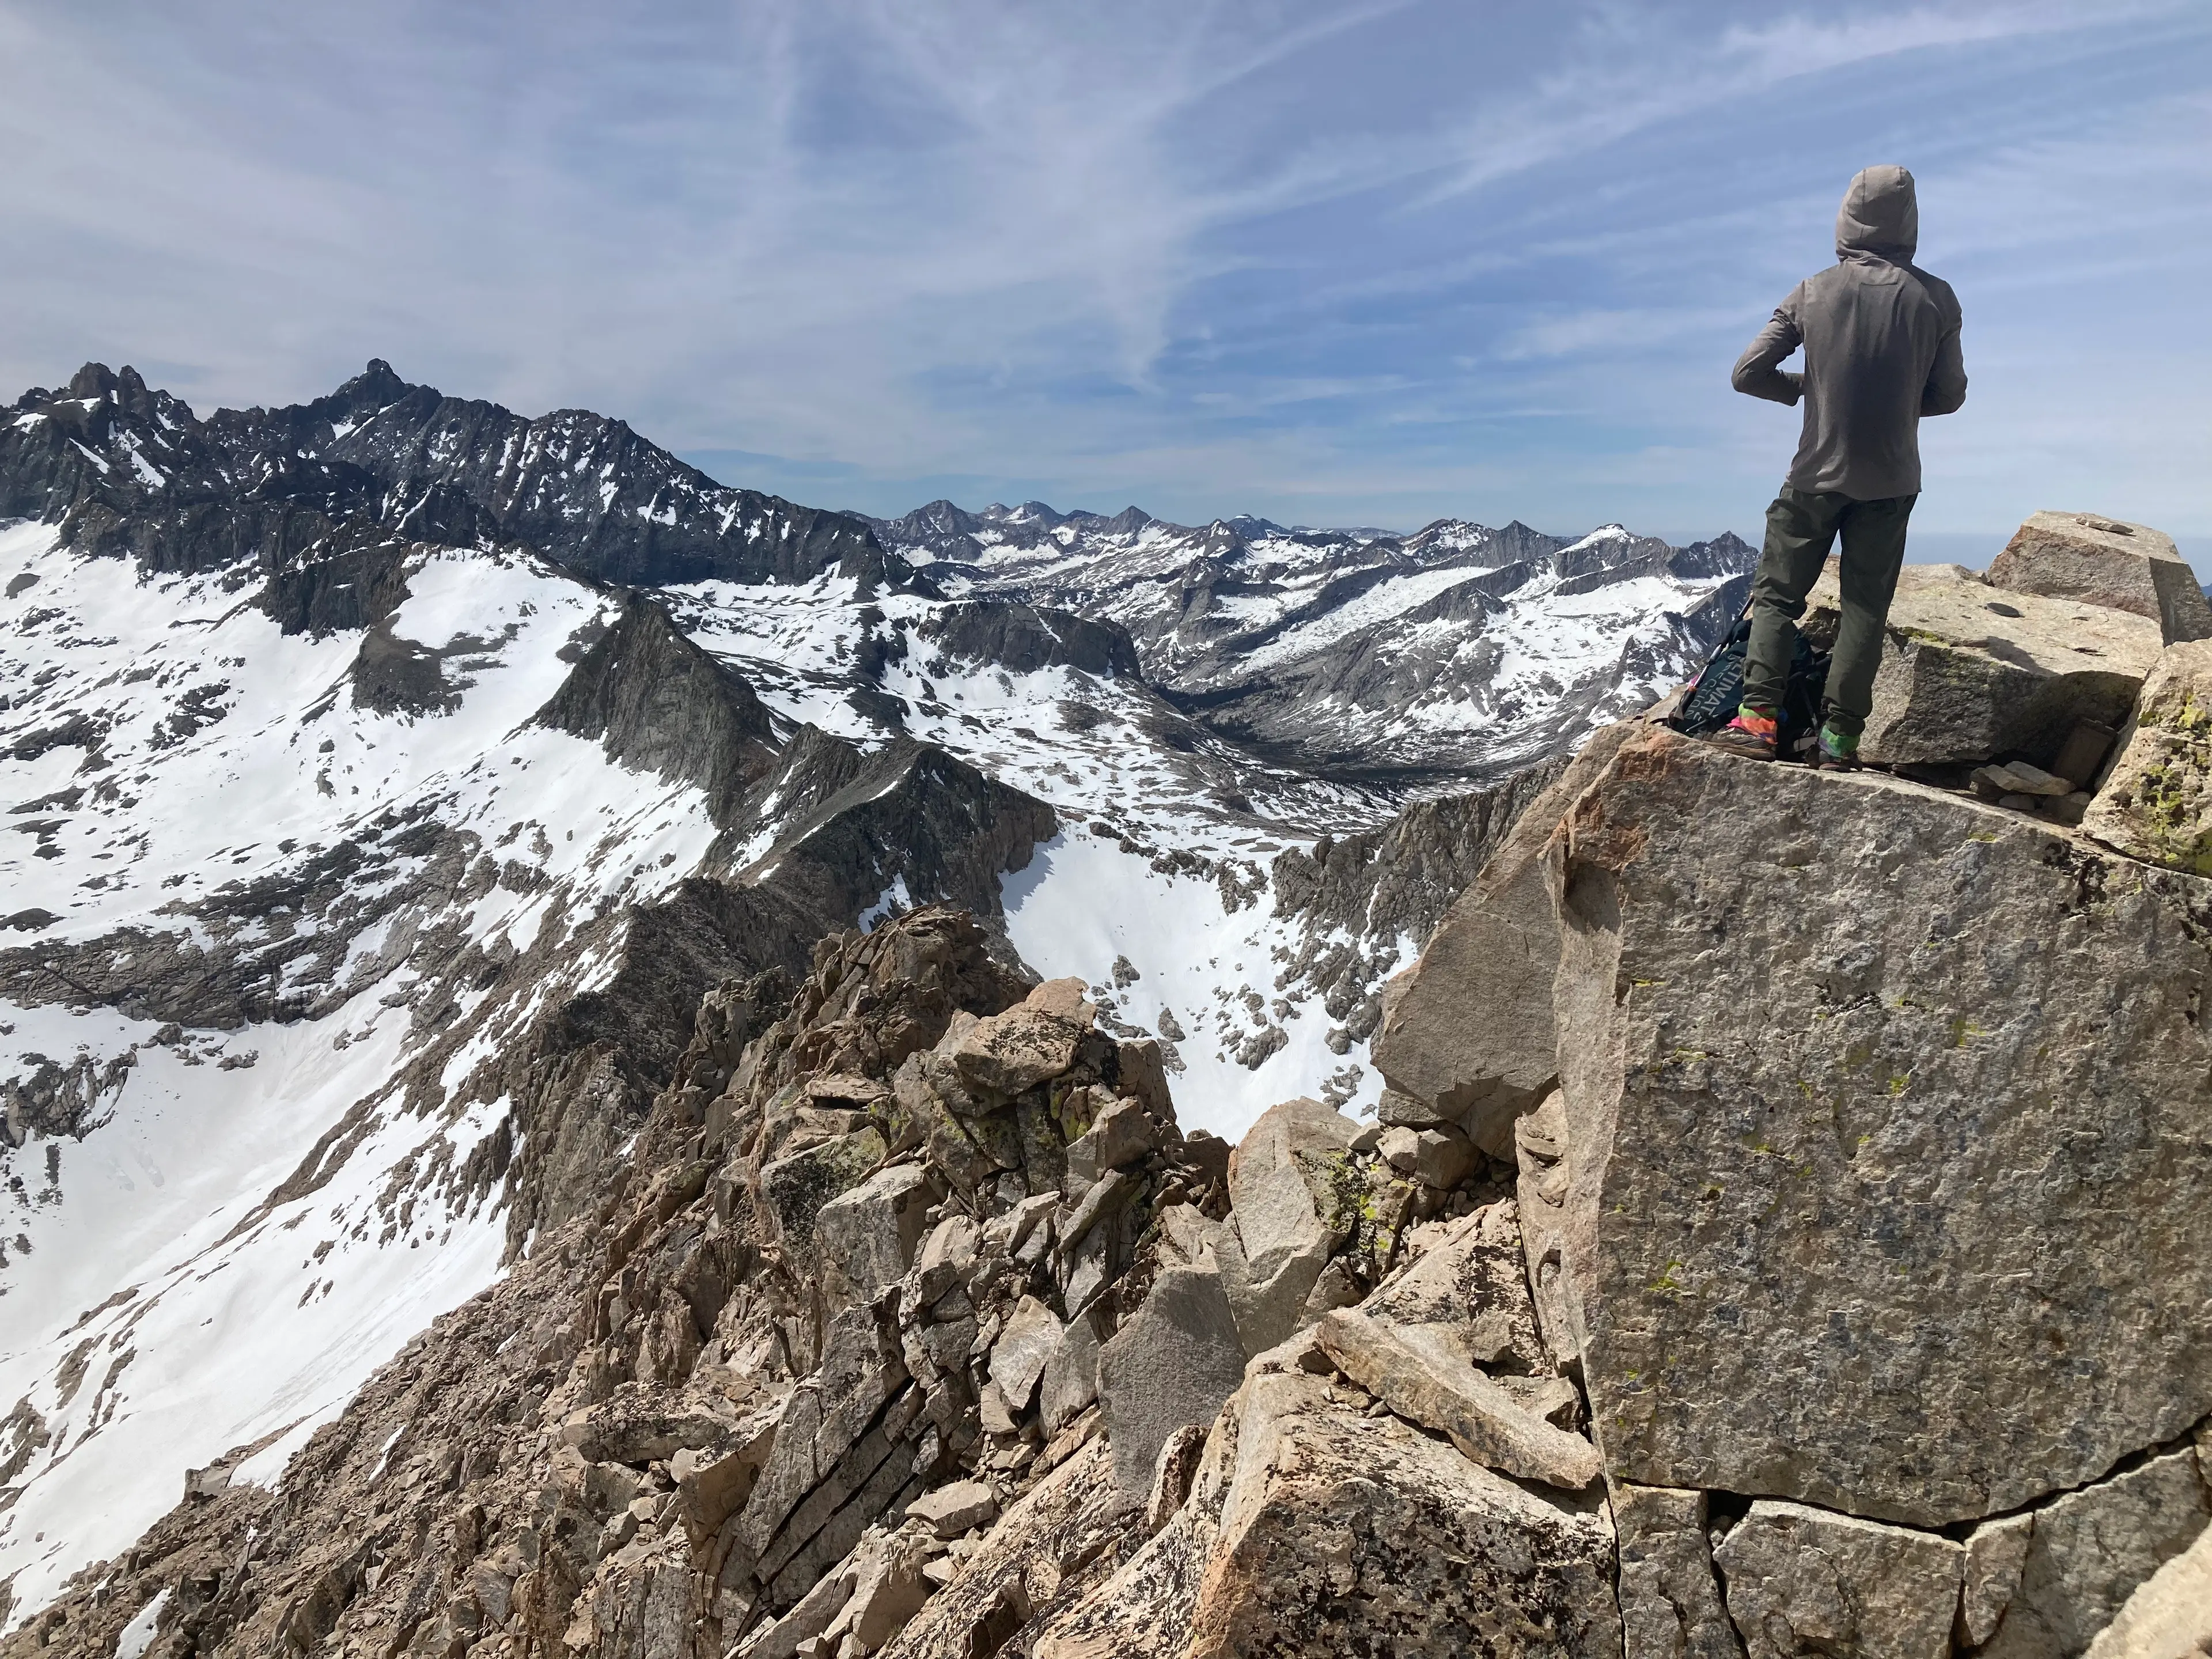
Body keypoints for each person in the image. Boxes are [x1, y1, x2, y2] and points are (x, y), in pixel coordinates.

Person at [1710, 164, 1967, 766]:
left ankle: (1756, 723)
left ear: (1846, 217)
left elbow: (1747, 374)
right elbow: (1950, 396)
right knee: (1865, 609)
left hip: (1814, 477)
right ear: (1910, 223)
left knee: (1777, 600)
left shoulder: (1812, 291)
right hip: (1893, 482)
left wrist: (1805, 389)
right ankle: (1840, 740)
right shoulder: (1938, 298)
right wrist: (1903, 406)